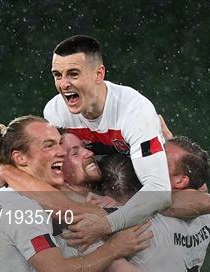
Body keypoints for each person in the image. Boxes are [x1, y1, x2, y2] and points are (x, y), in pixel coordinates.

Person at [0, 115, 153, 272]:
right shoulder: (21, 206)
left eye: (59, 144)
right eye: (49, 145)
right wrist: (115, 248)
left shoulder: (0, 196)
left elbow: (65, 205)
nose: (60, 151)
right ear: (20, 157)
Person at [48, 35, 173, 243]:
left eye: (73, 74)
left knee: (194, 201)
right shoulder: (55, 112)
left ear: (99, 74)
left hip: (141, 204)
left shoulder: (134, 110)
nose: (64, 84)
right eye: (57, 75)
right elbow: (52, 177)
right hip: (102, 200)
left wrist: (107, 224)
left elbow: (159, 192)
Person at [99, 136, 210, 272]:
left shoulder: (142, 221)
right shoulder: (204, 218)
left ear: (180, 180)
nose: (153, 159)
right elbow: (201, 187)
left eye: (162, 158)